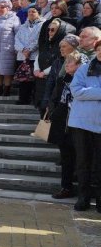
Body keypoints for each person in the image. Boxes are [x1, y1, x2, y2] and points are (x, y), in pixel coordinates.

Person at [67, 39, 101, 211]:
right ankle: (83, 197)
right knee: (83, 162)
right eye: (99, 49)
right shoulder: (84, 68)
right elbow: (76, 91)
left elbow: (83, 92)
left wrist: (90, 93)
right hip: (82, 122)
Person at [48, 51, 84, 199]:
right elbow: (55, 97)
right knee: (66, 158)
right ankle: (66, 187)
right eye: (66, 62)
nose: (66, 65)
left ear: (79, 65)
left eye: (70, 62)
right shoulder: (62, 79)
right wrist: (53, 111)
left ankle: (84, 191)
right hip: (63, 124)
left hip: (80, 124)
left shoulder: (83, 81)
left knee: (82, 159)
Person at [35, 18, 72, 115]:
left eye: (53, 30)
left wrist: (44, 72)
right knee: (42, 110)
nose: (49, 32)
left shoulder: (63, 44)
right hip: (41, 81)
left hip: (51, 82)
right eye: (49, 30)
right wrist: (36, 69)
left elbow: (59, 62)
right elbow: (39, 56)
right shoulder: (47, 43)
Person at [14, 7, 44, 105]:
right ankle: (23, 99)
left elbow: (39, 40)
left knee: (34, 80)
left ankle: (34, 99)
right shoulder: (23, 26)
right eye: (29, 12)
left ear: (38, 13)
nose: (31, 13)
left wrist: (29, 50)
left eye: (33, 11)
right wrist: (23, 49)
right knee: (23, 79)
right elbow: (17, 39)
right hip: (22, 56)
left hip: (34, 56)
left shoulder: (42, 25)